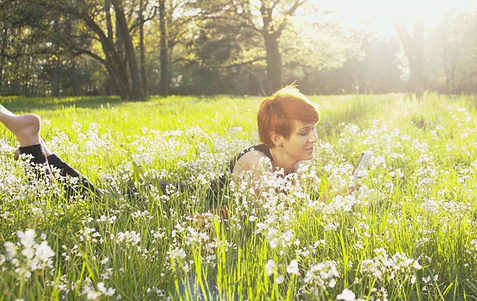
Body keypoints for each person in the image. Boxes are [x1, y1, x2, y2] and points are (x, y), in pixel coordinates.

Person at [0, 85, 320, 204]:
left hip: (181, 202)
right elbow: (273, 220)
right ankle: (31, 141)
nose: (313, 139)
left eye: (313, 130)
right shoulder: (258, 163)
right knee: (89, 202)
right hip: (167, 201)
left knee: (90, 197)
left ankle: (36, 148)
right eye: (304, 132)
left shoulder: (296, 165)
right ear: (277, 138)